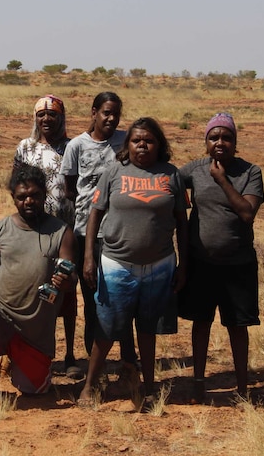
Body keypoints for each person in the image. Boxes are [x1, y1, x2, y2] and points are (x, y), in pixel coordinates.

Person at [78, 117, 188, 407]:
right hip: (116, 263)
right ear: (128, 145)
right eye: (137, 140)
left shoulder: (171, 175)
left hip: (160, 264)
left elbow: (182, 223)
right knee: (107, 327)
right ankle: (90, 386)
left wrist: (184, 265)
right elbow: (94, 216)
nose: (142, 145)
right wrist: (89, 258)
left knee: (148, 328)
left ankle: (148, 386)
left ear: (159, 145)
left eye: (149, 140)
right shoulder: (113, 172)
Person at [0, 165, 76, 403]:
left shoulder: (62, 232)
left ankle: (12, 359)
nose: (28, 201)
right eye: (22, 197)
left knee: (34, 390)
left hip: (36, 328)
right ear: (13, 198)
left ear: (44, 194)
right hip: (0, 313)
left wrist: (64, 281)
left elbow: (71, 278)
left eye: (34, 195)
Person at [178, 113, 264, 402]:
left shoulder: (250, 172)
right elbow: (168, 181)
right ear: (205, 142)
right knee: (201, 323)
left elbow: (247, 213)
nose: (220, 143)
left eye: (226, 137)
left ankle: (242, 388)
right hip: (202, 263)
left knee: (238, 327)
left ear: (235, 142)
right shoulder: (196, 169)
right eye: (214, 137)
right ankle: (199, 383)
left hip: (238, 264)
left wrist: (223, 180)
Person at [60, 92, 138, 383]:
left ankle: (129, 363)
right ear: (94, 112)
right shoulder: (77, 146)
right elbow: (70, 188)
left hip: (121, 234)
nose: (111, 118)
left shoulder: (126, 140)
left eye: (115, 113)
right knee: (93, 302)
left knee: (123, 299)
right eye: (105, 112)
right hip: (86, 234)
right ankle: (98, 369)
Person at [13, 94, 82, 379]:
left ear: (61, 118)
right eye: (41, 115)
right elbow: (16, 185)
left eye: (52, 115)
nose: (46, 120)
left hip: (67, 229)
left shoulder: (73, 147)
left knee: (65, 287)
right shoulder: (25, 148)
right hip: (35, 229)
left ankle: (70, 354)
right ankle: (39, 351)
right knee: (38, 288)